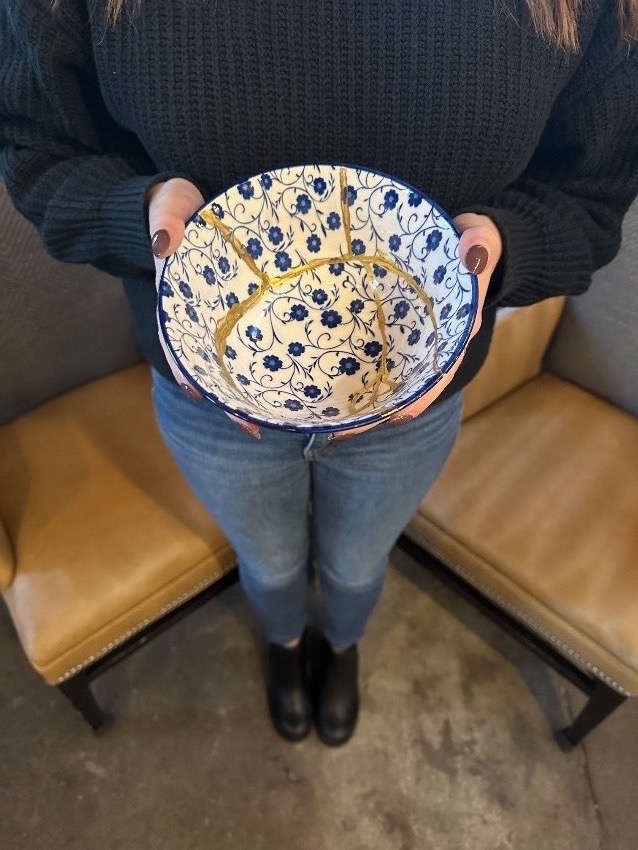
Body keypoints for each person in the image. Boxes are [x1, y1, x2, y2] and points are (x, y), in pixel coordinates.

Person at [1, 0, 637, 747]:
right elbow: (39, 149)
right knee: (267, 562)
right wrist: (136, 211)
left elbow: (591, 194)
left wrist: (504, 247)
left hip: (415, 399)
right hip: (210, 398)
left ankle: (340, 645)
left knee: (359, 561)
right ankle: (286, 643)